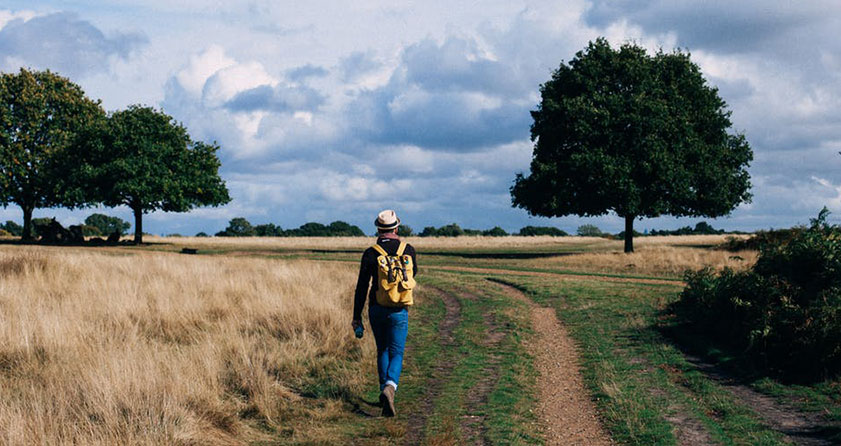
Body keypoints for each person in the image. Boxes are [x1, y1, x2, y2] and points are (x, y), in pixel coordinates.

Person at [352, 209, 418, 417]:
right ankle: (390, 387)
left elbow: (362, 287)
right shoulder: (409, 250)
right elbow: (412, 274)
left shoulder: (371, 253)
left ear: (379, 229)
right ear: (396, 227)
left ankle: (384, 391)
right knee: (397, 351)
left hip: (376, 308)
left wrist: (356, 316)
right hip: (399, 309)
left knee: (382, 350)